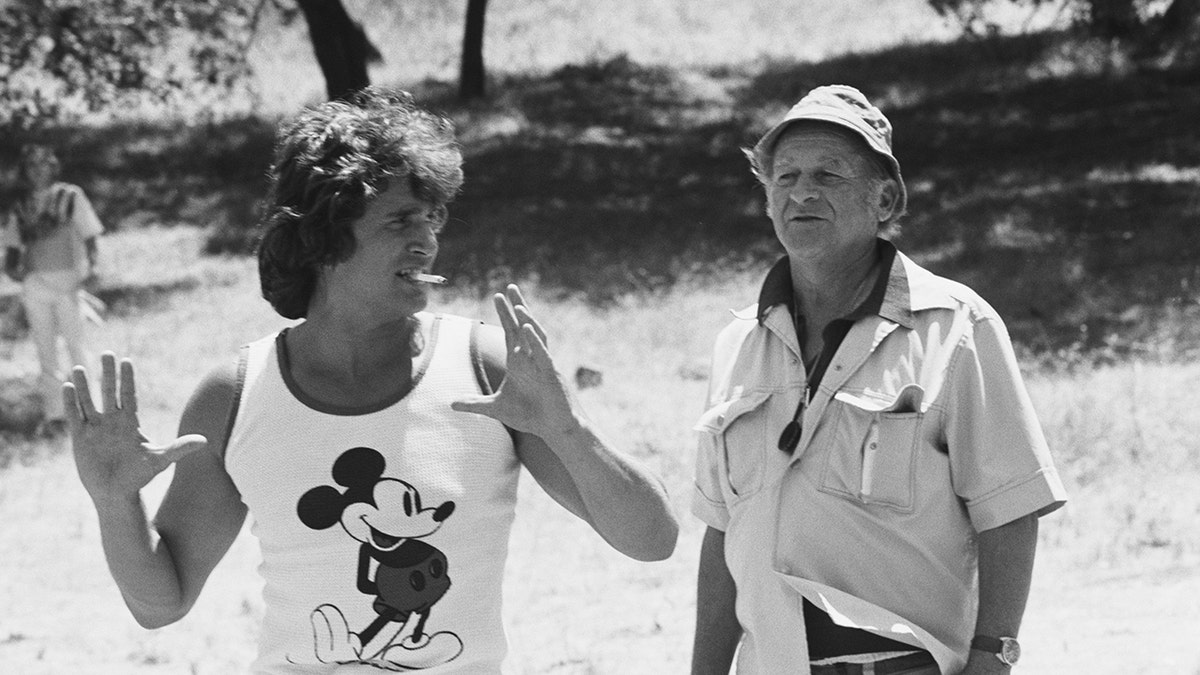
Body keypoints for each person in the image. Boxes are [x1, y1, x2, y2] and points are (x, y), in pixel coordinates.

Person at [64, 87, 678, 674]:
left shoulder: (485, 368)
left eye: (433, 218)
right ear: (325, 237)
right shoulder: (235, 396)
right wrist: (114, 501)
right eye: (401, 221)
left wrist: (568, 431)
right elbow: (160, 603)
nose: (429, 241)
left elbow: (652, 540)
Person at [689, 85, 1068, 675]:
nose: (802, 192)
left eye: (828, 175)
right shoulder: (739, 342)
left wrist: (994, 658)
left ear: (885, 199)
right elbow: (722, 537)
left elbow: (1010, 509)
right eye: (784, 178)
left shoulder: (955, 328)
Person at [1, 143, 103, 435]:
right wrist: (13, 269)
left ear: (53, 166)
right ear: (24, 170)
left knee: (77, 345)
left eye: (43, 164)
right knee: (45, 349)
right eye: (31, 165)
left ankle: (91, 408)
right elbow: (12, 245)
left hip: (69, 281)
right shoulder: (21, 206)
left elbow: (90, 234)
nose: (37, 170)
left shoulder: (70, 196)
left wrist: (92, 268)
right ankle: (55, 415)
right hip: (36, 283)